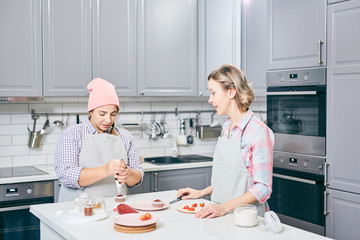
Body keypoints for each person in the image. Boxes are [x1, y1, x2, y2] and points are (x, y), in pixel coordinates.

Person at [177, 64, 274, 218]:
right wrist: (201, 193)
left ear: (230, 92)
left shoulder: (258, 131)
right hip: (218, 215)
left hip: (245, 220)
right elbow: (228, 179)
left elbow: (263, 188)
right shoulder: (227, 126)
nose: (210, 100)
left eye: (213, 93)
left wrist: (224, 208)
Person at [54, 78, 143, 202]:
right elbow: (66, 175)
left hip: (116, 206)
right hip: (79, 209)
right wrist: (105, 170)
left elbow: (137, 176)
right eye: (102, 114)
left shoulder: (125, 136)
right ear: (91, 111)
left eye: (113, 114)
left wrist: (128, 174)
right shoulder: (73, 134)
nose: (108, 120)